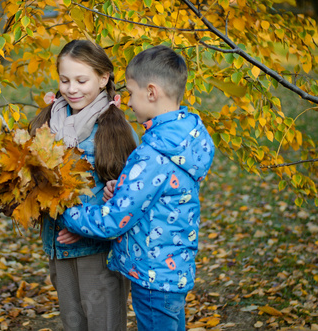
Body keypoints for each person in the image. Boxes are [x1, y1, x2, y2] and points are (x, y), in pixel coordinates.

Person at [58, 45, 215, 331]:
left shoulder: (153, 153)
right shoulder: (184, 139)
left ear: (151, 93)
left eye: (131, 93)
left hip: (152, 274)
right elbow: (163, 191)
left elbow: (114, 221)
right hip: (173, 270)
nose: (128, 102)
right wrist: (124, 188)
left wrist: (68, 214)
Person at [28, 40, 139, 330]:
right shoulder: (47, 121)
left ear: (103, 79)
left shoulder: (114, 128)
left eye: (81, 80)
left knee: (103, 323)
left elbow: (130, 193)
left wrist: (83, 226)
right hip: (58, 246)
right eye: (64, 80)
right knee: (73, 323)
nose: (71, 89)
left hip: (98, 251)